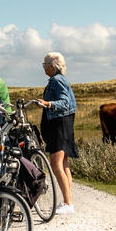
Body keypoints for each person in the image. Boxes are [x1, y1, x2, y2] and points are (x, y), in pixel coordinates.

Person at [31, 51, 78, 215]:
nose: (43, 66)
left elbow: (64, 102)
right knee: (63, 164)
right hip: (63, 123)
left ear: (52, 66)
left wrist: (48, 104)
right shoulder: (59, 80)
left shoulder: (57, 81)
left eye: (45, 63)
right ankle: (67, 200)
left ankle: (68, 203)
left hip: (59, 124)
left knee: (56, 164)